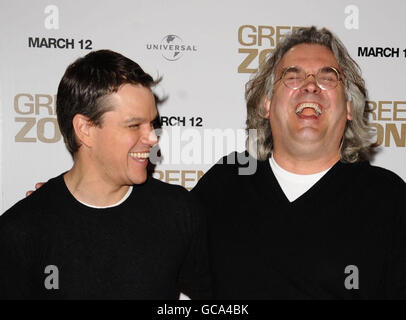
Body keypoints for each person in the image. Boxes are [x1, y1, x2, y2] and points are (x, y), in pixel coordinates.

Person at [191, 26, 406, 299]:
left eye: (328, 79)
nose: (310, 85)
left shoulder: (387, 197)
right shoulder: (224, 185)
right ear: (266, 103)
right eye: (292, 76)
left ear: (350, 107)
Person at [0, 50, 211, 299]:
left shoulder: (177, 211)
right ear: (85, 129)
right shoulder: (22, 230)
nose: (153, 138)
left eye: (152, 124)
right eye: (134, 125)